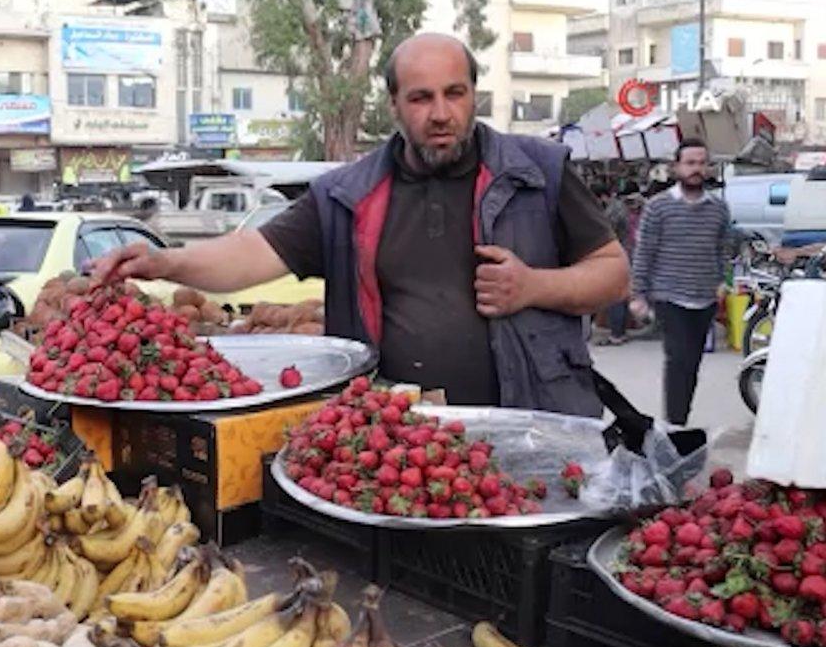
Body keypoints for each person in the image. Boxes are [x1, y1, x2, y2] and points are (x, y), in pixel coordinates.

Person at [92, 33, 629, 417]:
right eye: (421, 98)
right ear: (394, 104)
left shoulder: (541, 170)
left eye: (454, 93)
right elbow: (252, 254)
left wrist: (535, 285)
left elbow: (614, 275)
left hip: (534, 422)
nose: (440, 112)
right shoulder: (347, 194)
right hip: (402, 441)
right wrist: (164, 262)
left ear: (473, 95)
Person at [631, 138, 730, 426]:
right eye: (690, 163)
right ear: (676, 168)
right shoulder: (658, 207)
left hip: (705, 297)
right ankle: (674, 425)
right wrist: (638, 294)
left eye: (701, 163)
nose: (696, 169)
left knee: (692, 364)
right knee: (679, 360)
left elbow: (723, 248)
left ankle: (678, 420)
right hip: (669, 296)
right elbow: (644, 251)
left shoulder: (718, 209)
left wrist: (722, 280)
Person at [594, 183, 633, 345]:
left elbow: (603, 233)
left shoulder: (612, 211)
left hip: (617, 255)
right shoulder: (619, 207)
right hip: (625, 253)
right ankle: (620, 332)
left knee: (615, 296)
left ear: (602, 196)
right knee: (620, 296)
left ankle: (616, 334)